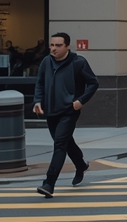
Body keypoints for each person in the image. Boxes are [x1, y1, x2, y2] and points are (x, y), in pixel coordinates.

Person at [33, 32, 99, 198]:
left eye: (58, 45)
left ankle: (49, 183)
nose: (53, 49)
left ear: (67, 46)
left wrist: (81, 100)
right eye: (52, 45)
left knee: (60, 145)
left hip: (69, 111)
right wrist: (37, 101)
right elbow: (40, 83)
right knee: (65, 141)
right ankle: (81, 164)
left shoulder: (78, 62)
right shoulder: (46, 62)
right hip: (50, 110)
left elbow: (93, 83)